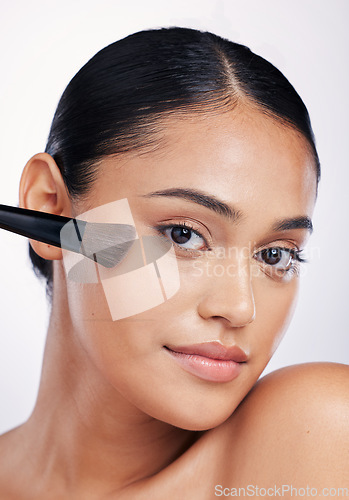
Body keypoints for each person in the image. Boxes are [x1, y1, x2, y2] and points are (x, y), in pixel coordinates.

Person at [0, 27, 347, 499]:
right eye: (184, 234)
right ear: (51, 207)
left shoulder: (320, 436)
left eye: (275, 255)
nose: (239, 308)